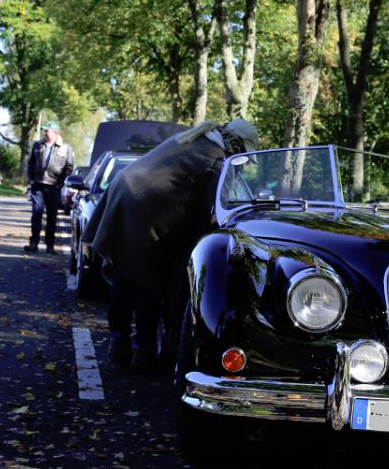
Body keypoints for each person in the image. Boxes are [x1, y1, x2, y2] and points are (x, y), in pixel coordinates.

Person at [83, 118, 259, 370]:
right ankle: (143, 353)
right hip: (145, 207)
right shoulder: (218, 161)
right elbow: (212, 213)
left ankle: (119, 343)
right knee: (149, 281)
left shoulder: (196, 139)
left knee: (125, 273)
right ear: (239, 146)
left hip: (125, 192)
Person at [23, 122, 74, 254]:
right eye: (44, 131)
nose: (45, 133)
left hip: (54, 187)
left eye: (47, 131)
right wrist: (31, 179)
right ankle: (33, 243)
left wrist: (61, 183)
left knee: (52, 217)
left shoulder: (65, 148)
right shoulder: (37, 145)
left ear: (55, 133)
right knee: (37, 213)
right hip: (38, 185)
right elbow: (30, 163)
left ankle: (50, 246)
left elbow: (69, 168)